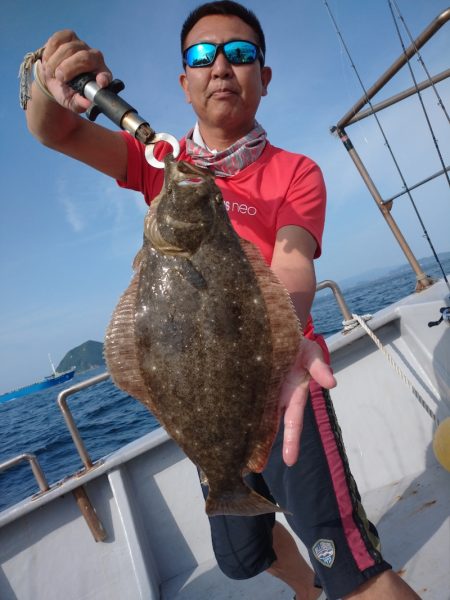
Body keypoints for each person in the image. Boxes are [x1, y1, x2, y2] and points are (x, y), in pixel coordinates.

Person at [24, 2, 420, 599]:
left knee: (353, 569)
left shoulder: (296, 172)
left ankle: (336, 579)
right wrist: (44, 79)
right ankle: (305, 590)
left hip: (286, 383)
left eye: (240, 54)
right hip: (208, 397)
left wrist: (280, 339)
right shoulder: (160, 164)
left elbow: (291, 261)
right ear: (184, 84)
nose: (221, 67)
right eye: (201, 56)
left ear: (264, 76)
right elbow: (55, 130)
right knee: (241, 558)